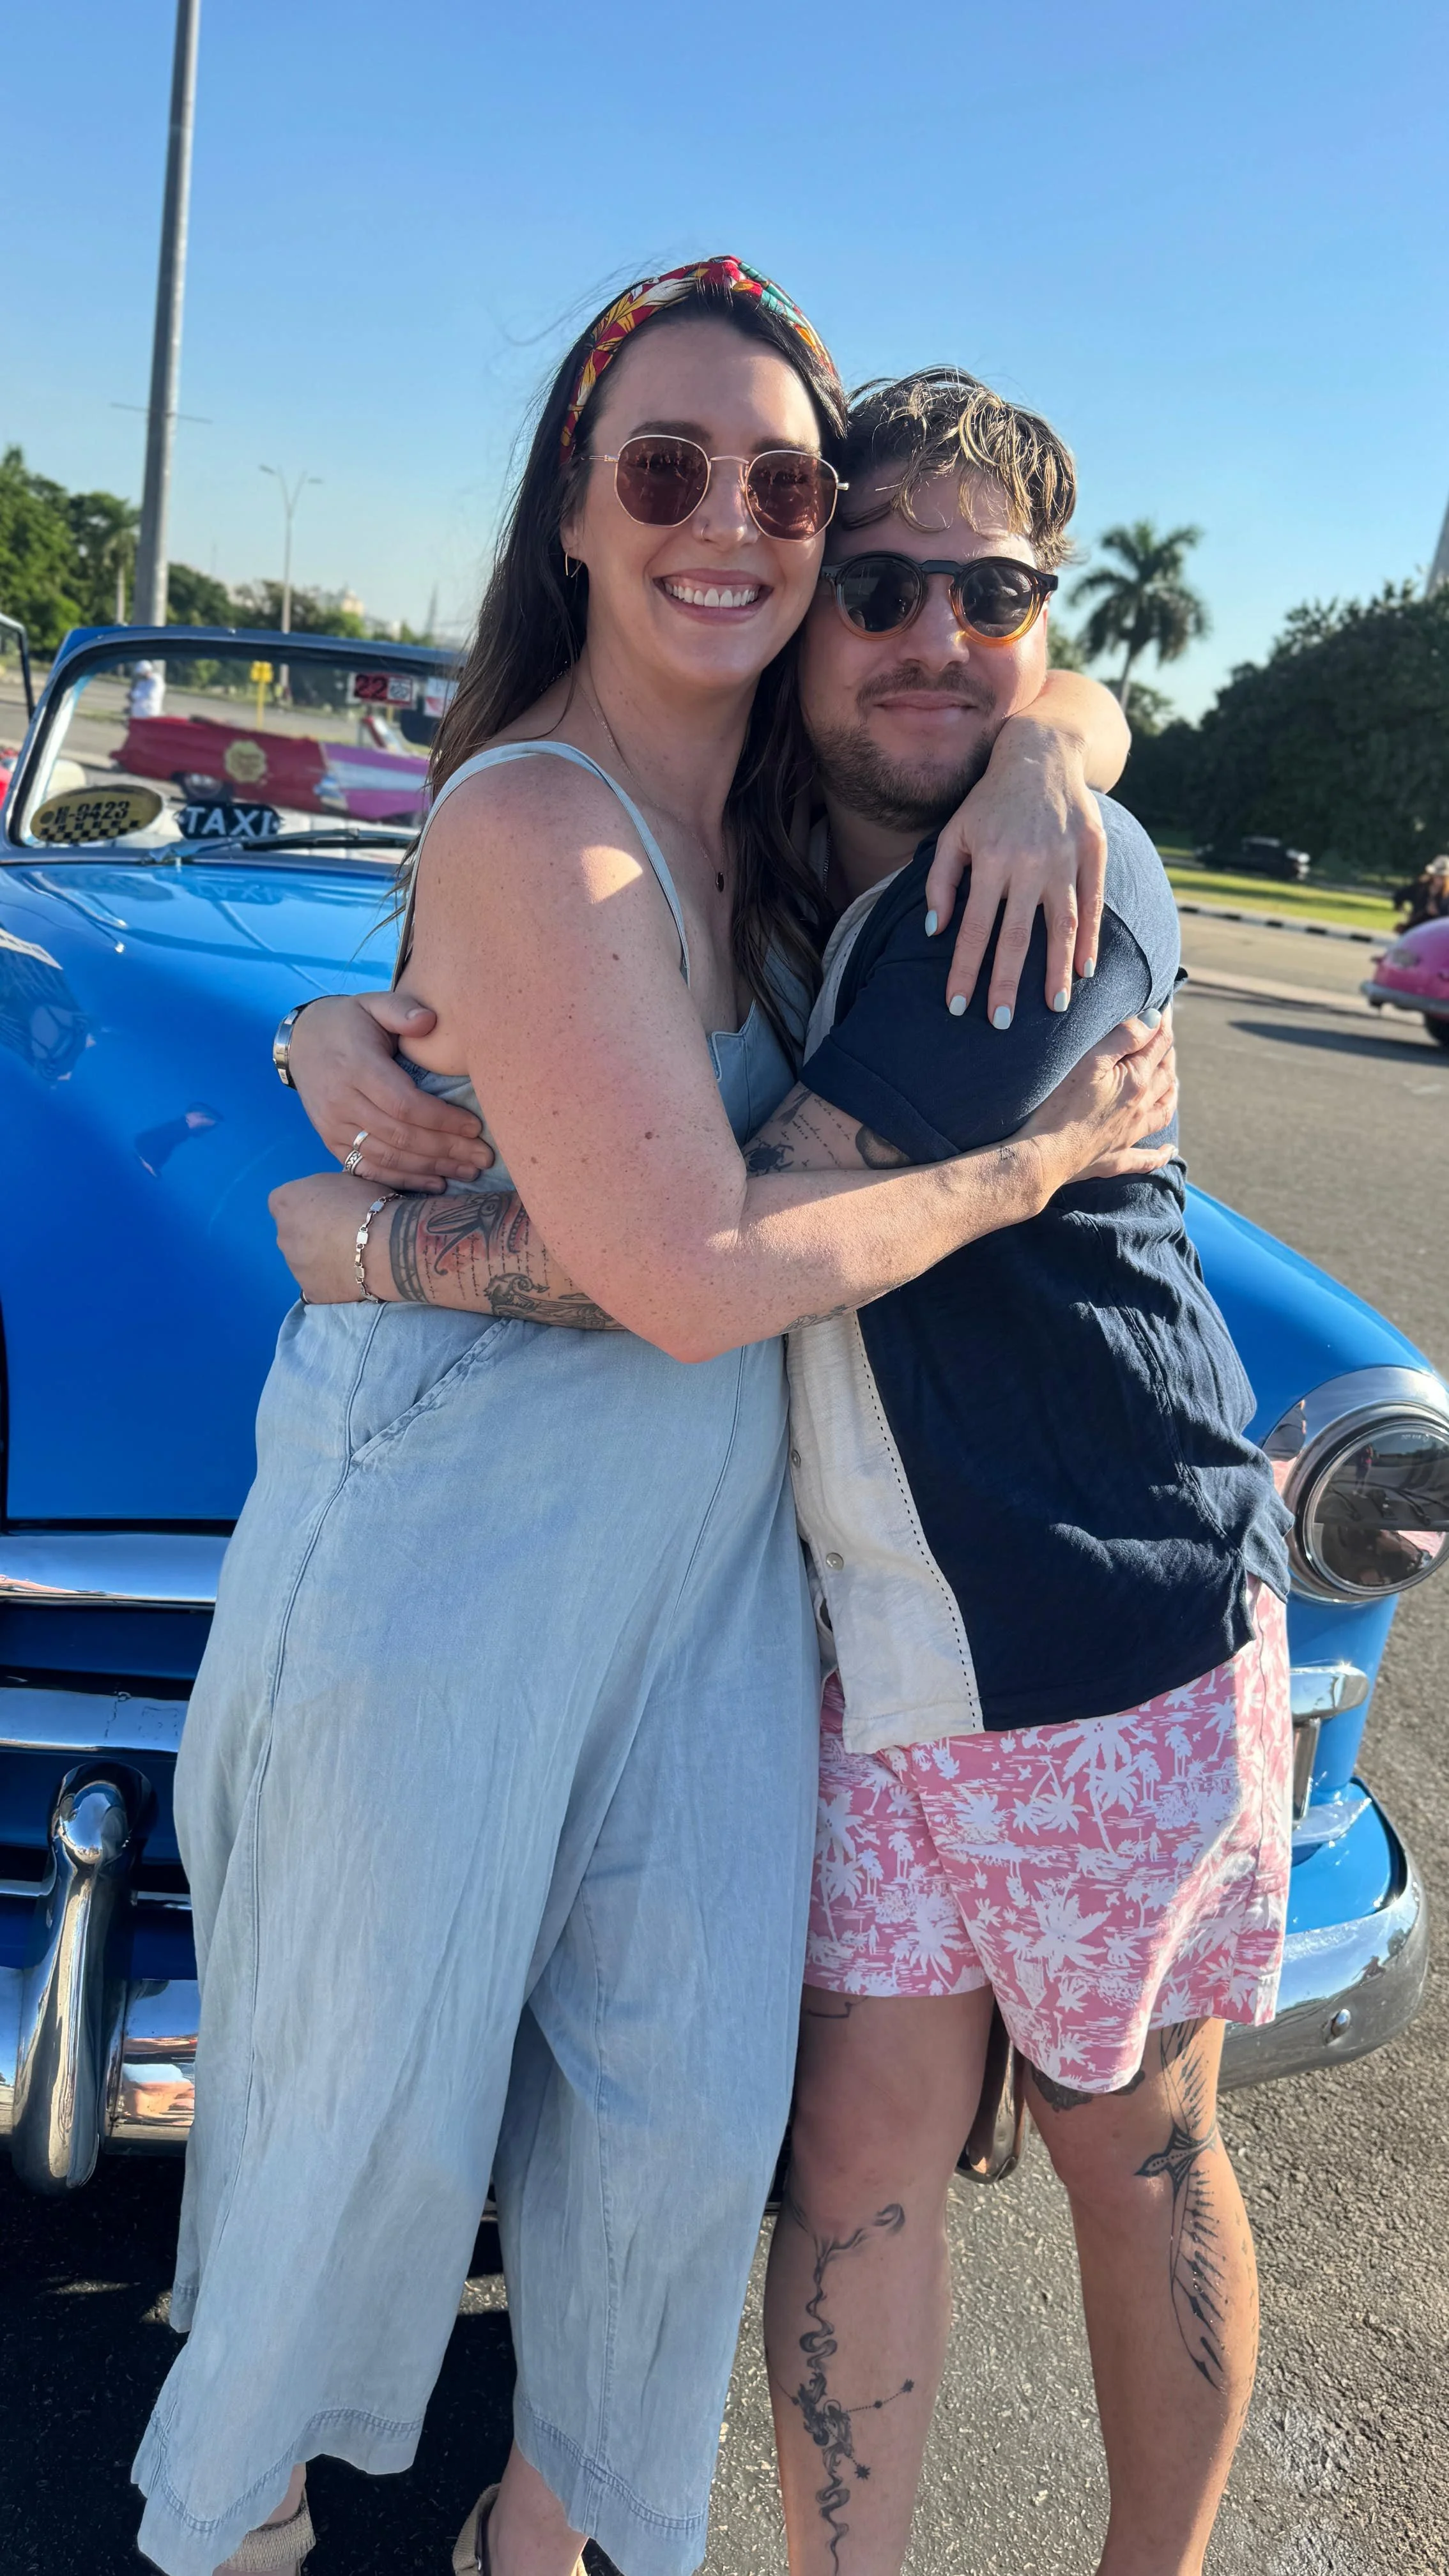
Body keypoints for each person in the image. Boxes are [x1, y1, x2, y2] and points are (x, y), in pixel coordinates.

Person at [135, 266, 1169, 2576]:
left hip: (706, 1547)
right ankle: (236, 2528)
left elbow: (1024, 658)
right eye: (669, 469)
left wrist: (1048, 745)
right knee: (355, 2134)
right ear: (575, 510)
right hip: (454, 1526)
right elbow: (692, 1270)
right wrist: (1017, 1173)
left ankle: (547, 2537)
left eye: (785, 490)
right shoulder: (544, 818)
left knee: (686, 2129)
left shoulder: (780, 803)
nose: (733, 523)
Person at [1395, 853, 1449, 928]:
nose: (1440, 880)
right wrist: (1406, 914)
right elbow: (1399, 896)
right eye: (1438, 876)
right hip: (1416, 927)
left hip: (1436, 930)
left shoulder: (1447, 894)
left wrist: (1437, 913)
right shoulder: (1420, 887)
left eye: (1443, 877)